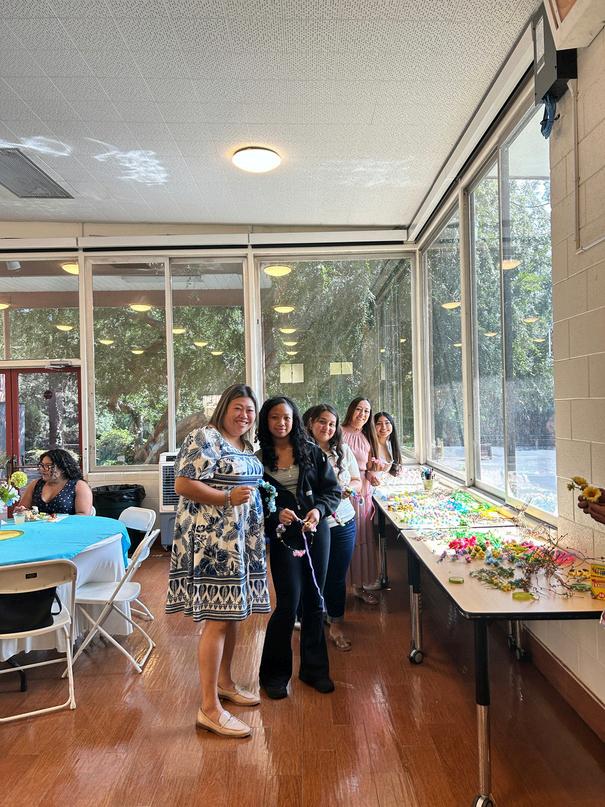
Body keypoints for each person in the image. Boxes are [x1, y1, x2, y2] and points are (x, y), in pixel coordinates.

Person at [165, 383, 269, 739]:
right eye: (238, 408)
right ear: (224, 408)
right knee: (217, 620)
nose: (244, 415)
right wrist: (226, 498)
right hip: (214, 543)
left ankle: (225, 683)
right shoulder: (205, 437)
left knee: (232, 615)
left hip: (240, 542)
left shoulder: (245, 445)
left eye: (250, 410)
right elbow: (182, 484)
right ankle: (209, 708)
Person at [257, 396, 340, 699]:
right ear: (266, 421)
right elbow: (253, 505)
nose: (281, 423)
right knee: (289, 603)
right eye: (275, 417)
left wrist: (318, 510)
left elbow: (332, 492)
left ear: (295, 421)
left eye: (287, 418)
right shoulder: (257, 460)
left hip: (317, 533)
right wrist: (275, 514)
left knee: (315, 601)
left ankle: (314, 670)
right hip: (284, 538)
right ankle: (275, 675)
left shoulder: (313, 452)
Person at [306, 404, 361, 651]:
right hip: (316, 524)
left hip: (344, 522)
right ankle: (311, 621)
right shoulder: (301, 451)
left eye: (331, 423)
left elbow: (357, 481)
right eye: (322, 421)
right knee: (313, 576)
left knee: (337, 577)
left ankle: (336, 624)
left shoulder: (343, 450)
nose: (327, 427)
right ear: (310, 423)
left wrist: (349, 489)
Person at [341, 397, 381, 604]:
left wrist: (373, 475)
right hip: (343, 494)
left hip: (363, 495)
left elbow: (369, 467)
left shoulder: (368, 436)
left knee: (361, 539)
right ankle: (338, 587)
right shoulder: (339, 432)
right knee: (344, 540)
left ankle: (358, 586)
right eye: (359, 409)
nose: (362, 414)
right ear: (351, 410)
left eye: (366, 411)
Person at [16, 448, 93, 516]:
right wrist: (21, 511)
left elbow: (83, 515)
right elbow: (23, 509)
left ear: (63, 468)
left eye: (48, 466)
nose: (42, 469)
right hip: (38, 527)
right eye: (42, 465)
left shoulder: (79, 486)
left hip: (68, 527)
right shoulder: (35, 484)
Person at [374, 411, 403, 478]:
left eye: (387, 423)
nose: (383, 427)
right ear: (373, 426)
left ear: (392, 424)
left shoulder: (391, 443)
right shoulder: (370, 445)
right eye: (379, 423)